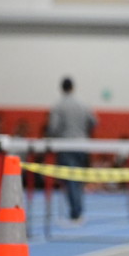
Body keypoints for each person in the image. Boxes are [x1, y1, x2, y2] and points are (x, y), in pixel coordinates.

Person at [47, 76, 96, 224]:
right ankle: (78, 210)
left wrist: (55, 137)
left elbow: (53, 127)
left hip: (66, 145)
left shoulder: (58, 105)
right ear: (73, 88)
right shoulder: (83, 104)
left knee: (70, 179)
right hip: (82, 145)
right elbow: (93, 122)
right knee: (78, 179)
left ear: (61, 89)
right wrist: (84, 132)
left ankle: (76, 213)